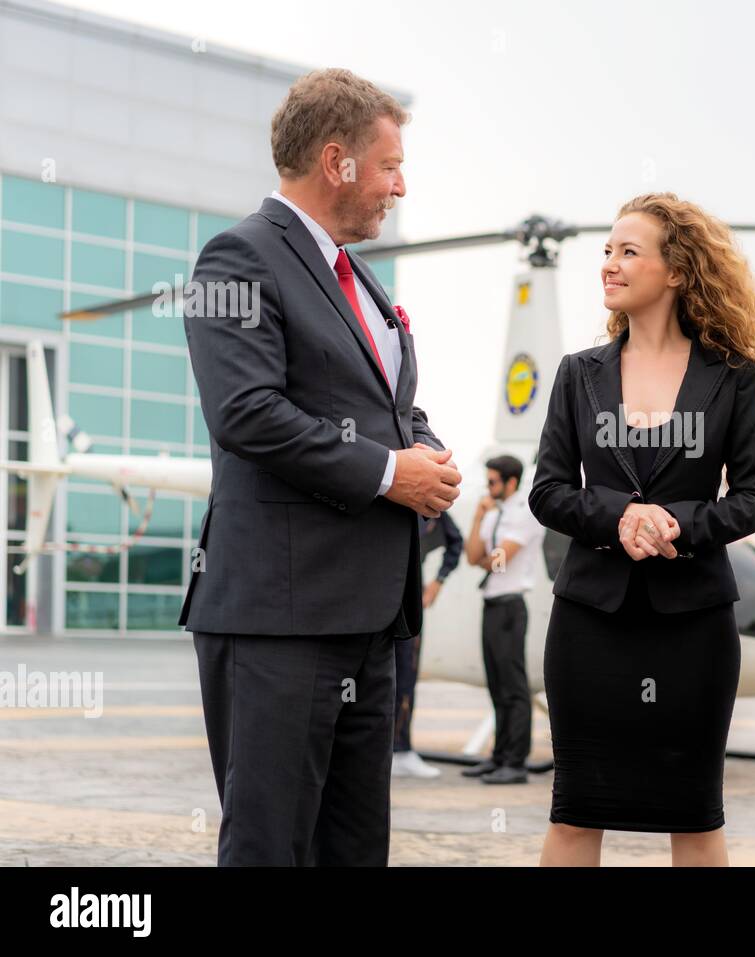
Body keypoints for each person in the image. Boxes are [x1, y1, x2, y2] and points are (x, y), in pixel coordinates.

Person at [180, 68, 462, 866]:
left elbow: (387, 405)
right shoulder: (233, 259)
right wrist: (387, 473)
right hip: (281, 617)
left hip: (370, 622)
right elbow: (246, 413)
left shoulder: (361, 279)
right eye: (390, 165)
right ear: (336, 161)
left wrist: (427, 452)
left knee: (354, 849)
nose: (400, 186)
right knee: (271, 847)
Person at [530, 193, 755, 866]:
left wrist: (678, 520)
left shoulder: (734, 378)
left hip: (693, 630)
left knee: (695, 816)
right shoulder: (576, 374)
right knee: (574, 811)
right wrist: (619, 516)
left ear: (675, 271)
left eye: (628, 252)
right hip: (590, 621)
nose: (610, 266)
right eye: (607, 252)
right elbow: (550, 491)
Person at [462, 455, 546, 784]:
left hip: (511, 605)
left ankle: (515, 760)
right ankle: (499, 756)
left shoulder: (524, 513)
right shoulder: (494, 512)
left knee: (513, 685)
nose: (489, 487)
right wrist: (479, 515)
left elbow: (499, 561)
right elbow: (473, 557)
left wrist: (488, 557)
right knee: (496, 684)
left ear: (511, 482)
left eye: (494, 481)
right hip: (491, 603)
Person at [392, 512, 463, 778]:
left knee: (406, 675)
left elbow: (456, 543)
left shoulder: (427, 502)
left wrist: (438, 581)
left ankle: (401, 749)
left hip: (408, 598)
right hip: (373, 595)